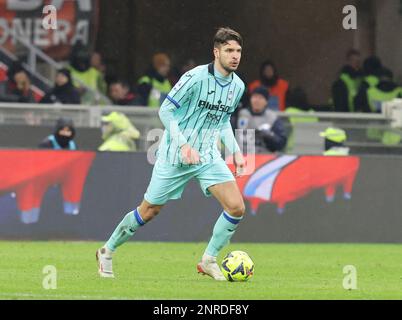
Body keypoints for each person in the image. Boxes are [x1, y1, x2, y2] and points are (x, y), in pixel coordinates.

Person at [96, 27, 246, 280]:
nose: (235, 56)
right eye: (229, 50)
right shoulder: (195, 77)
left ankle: (209, 260)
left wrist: (237, 152)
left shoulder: (238, 86)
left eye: (239, 51)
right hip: (175, 155)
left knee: (236, 207)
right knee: (149, 210)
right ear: (216, 51)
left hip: (207, 155)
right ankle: (107, 250)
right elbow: (166, 111)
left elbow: (221, 122)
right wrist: (183, 145)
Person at [237, 86, 288, 153]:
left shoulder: (272, 117)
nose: (257, 100)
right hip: (244, 155)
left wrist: (269, 135)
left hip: (265, 156)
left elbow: (281, 143)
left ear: (266, 102)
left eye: (260, 98)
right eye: (255, 97)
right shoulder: (242, 114)